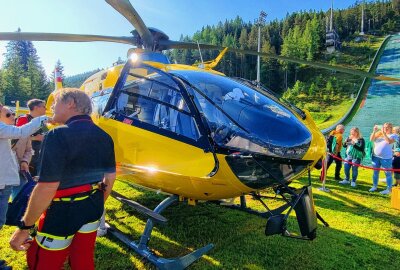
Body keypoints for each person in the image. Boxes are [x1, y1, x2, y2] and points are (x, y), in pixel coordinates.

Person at [9, 88, 116, 270]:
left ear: (71, 103)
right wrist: (96, 202)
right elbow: (110, 177)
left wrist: (24, 227)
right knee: (83, 258)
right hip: (93, 207)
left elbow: (46, 188)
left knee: (43, 263)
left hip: (62, 212)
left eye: (55, 103)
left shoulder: (57, 135)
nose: (51, 108)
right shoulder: (104, 136)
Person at [0, 104, 49, 269]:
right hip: (3, 181)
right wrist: (45, 119)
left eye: (13, 113)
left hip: (12, 177)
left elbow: (26, 149)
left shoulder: (11, 129)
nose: (12, 116)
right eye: (8, 114)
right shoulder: (13, 129)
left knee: (18, 208)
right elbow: (22, 133)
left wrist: (24, 162)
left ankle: (24, 230)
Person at [16, 99, 47, 176]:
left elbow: (47, 133)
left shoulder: (42, 121)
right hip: (25, 155)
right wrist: (35, 138)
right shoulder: (23, 119)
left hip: (38, 153)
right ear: (36, 108)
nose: (46, 109)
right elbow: (17, 136)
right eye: (44, 106)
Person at [369, 123, 397, 194]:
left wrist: (384, 133)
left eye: (388, 127)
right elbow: (371, 139)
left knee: (388, 173)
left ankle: (389, 189)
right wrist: (374, 131)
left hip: (386, 158)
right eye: (384, 127)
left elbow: (388, 141)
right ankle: (374, 186)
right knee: (375, 172)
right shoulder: (378, 134)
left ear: (391, 128)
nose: (386, 128)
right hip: (375, 157)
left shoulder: (394, 135)